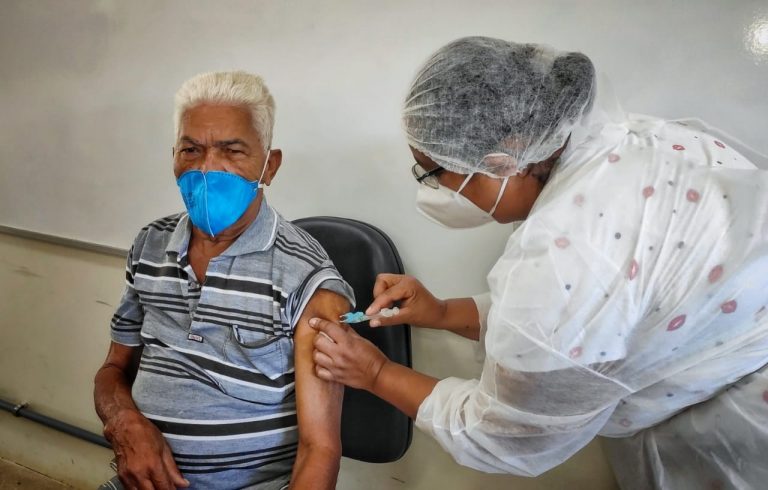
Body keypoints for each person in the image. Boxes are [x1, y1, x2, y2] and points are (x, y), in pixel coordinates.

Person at [310, 37, 768, 489]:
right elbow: (606, 316)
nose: (431, 191)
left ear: (501, 163)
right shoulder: (634, 145)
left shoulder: (564, 258)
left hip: (735, 438)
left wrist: (375, 373)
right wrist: (443, 312)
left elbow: (502, 436)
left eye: (434, 172)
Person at [94, 71, 354, 490]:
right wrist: (122, 422)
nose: (207, 168)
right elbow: (112, 370)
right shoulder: (149, 245)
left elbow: (320, 450)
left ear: (270, 165)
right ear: (173, 156)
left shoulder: (306, 279)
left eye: (231, 151)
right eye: (191, 149)